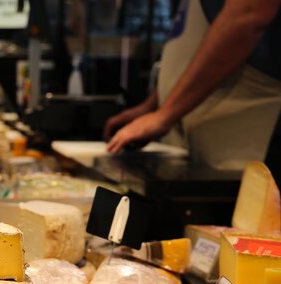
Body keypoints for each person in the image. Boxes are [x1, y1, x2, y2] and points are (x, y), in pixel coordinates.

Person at [104, 0, 281, 171]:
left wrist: (165, 114)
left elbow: (247, 15)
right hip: (197, 134)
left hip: (239, 135)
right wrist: (153, 106)